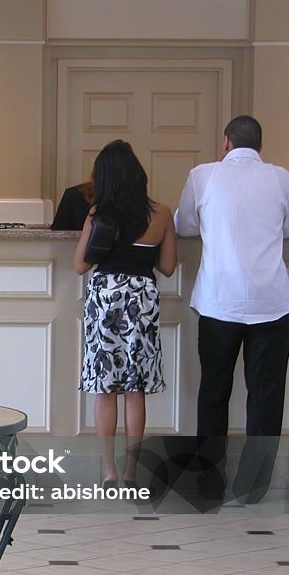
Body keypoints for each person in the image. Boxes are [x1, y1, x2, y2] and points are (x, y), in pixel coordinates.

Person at [174, 115, 289, 501]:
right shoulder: (282, 178)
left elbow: (184, 227)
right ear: (260, 147)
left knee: (214, 393)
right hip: (272, 302)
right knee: (265, 396)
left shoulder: (203, 175)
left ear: (225, 141)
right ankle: (252, 488)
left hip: (218, 302)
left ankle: (209, 485)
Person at [74, 141, 177, 485]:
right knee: (136, 389)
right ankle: (133, 471)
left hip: (105, 299)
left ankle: (108, 470)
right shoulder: (161, 213)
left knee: (106, 389)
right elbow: (167, 266)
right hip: (142, 299)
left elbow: (79, 265)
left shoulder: (98, 214)